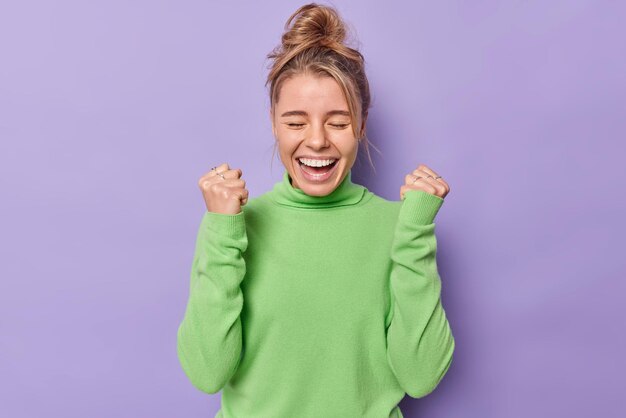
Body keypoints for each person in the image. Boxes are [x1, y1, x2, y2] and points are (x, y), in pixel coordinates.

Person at [176, 3, 455, 417]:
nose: (317, 141)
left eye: (338, 122)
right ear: (273, 121)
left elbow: (421, 376)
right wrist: (220, 230)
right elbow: (207, 372)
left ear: (361, 125)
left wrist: (414, 232)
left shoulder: (397, 226)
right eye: (295, 122)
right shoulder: (234, 227)